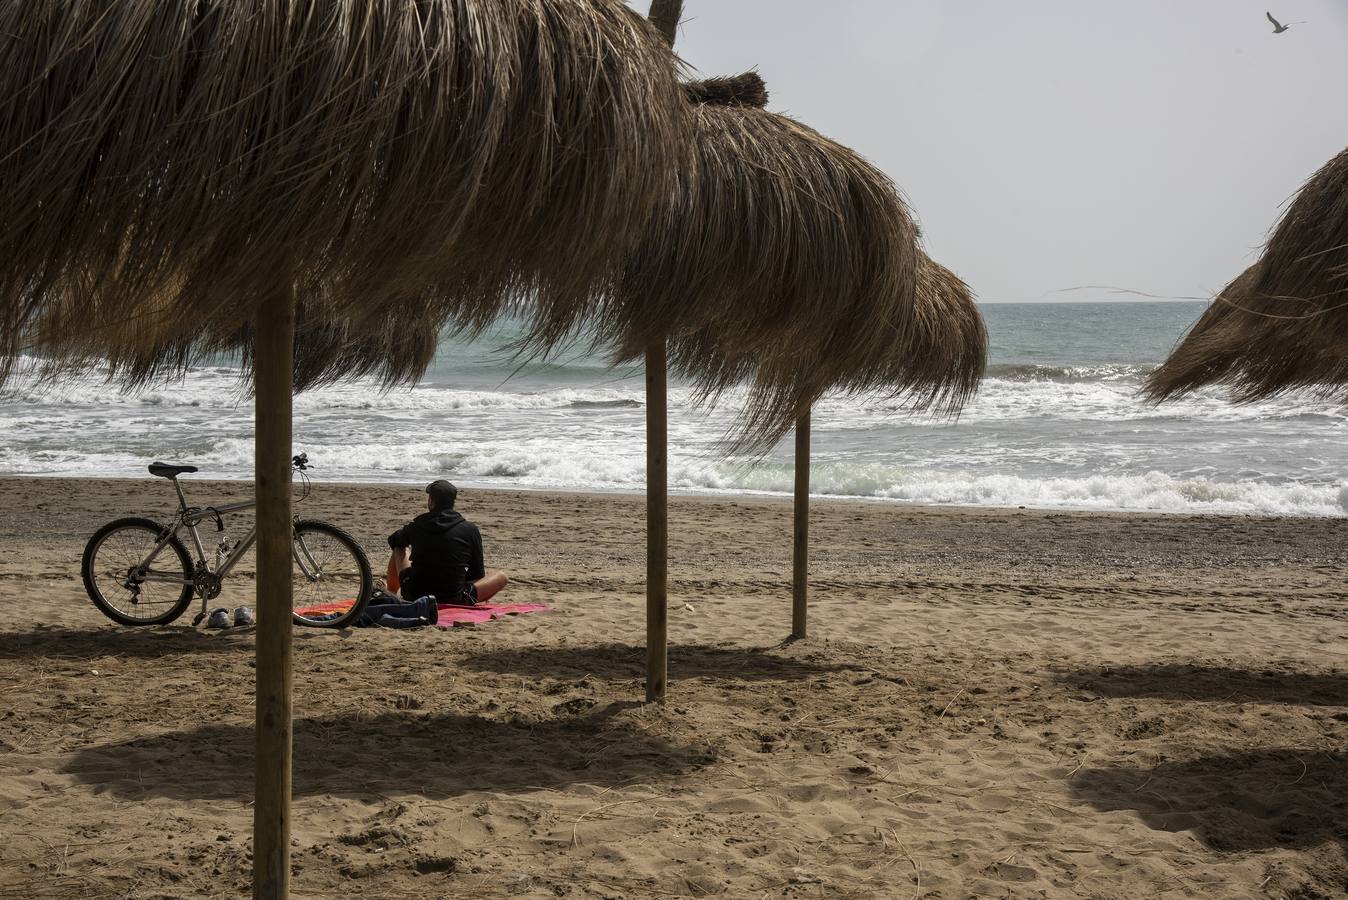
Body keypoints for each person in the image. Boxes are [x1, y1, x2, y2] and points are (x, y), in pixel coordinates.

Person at [387, 480, 508, 606]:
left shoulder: (417, 526)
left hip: (415, 595)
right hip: (454, 598)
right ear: (452, 503)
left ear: (431, 501)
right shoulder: (470, 529)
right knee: (501, 577)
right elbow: (477, 573)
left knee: (399, 548)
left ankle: (391, 592)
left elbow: (393, 540)